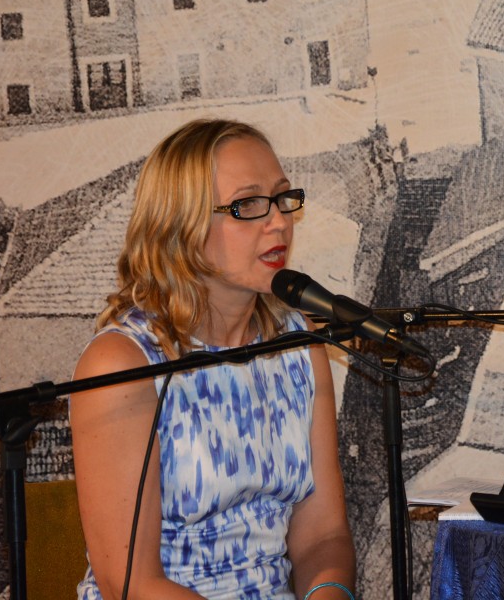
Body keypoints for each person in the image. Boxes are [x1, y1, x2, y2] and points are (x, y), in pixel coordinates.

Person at [70, 119, 356, 600]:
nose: (279, 222)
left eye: (282, 198)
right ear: (181, 225)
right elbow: (130, 583)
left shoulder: (298, 344)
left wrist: (327, 595)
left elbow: (323, 535)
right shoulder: (121, 364)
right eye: (248, 205)